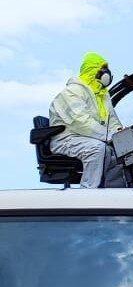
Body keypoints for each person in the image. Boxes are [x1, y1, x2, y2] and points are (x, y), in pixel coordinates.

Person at [49, 52, 126, 188]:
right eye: (103, 69)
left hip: (91, 138)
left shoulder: (103, 96)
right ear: (95, 72)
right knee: (96, 149)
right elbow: (81, 122)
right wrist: (109, 136)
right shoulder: (72, 92)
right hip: (66, 139)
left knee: (118, 153)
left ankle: (112, 192)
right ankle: (88, 191)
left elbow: (112, 121)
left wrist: (120, 135)